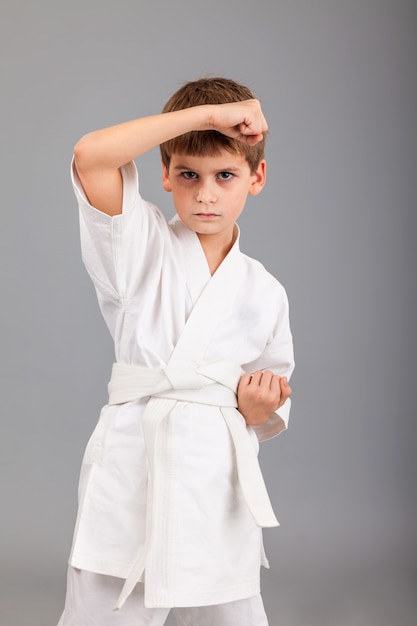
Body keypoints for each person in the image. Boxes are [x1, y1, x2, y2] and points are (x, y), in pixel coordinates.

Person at [57, 77, 294, 626]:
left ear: (256, 177)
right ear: (165, 175)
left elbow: (271, 397)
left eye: (225, 176)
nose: (206, 193)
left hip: (216, 487)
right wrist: (209, 116)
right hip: (132, 474)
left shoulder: (265, 291)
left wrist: (259, 410)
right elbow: (90, 155)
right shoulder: (137, 244)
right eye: (188, 174)